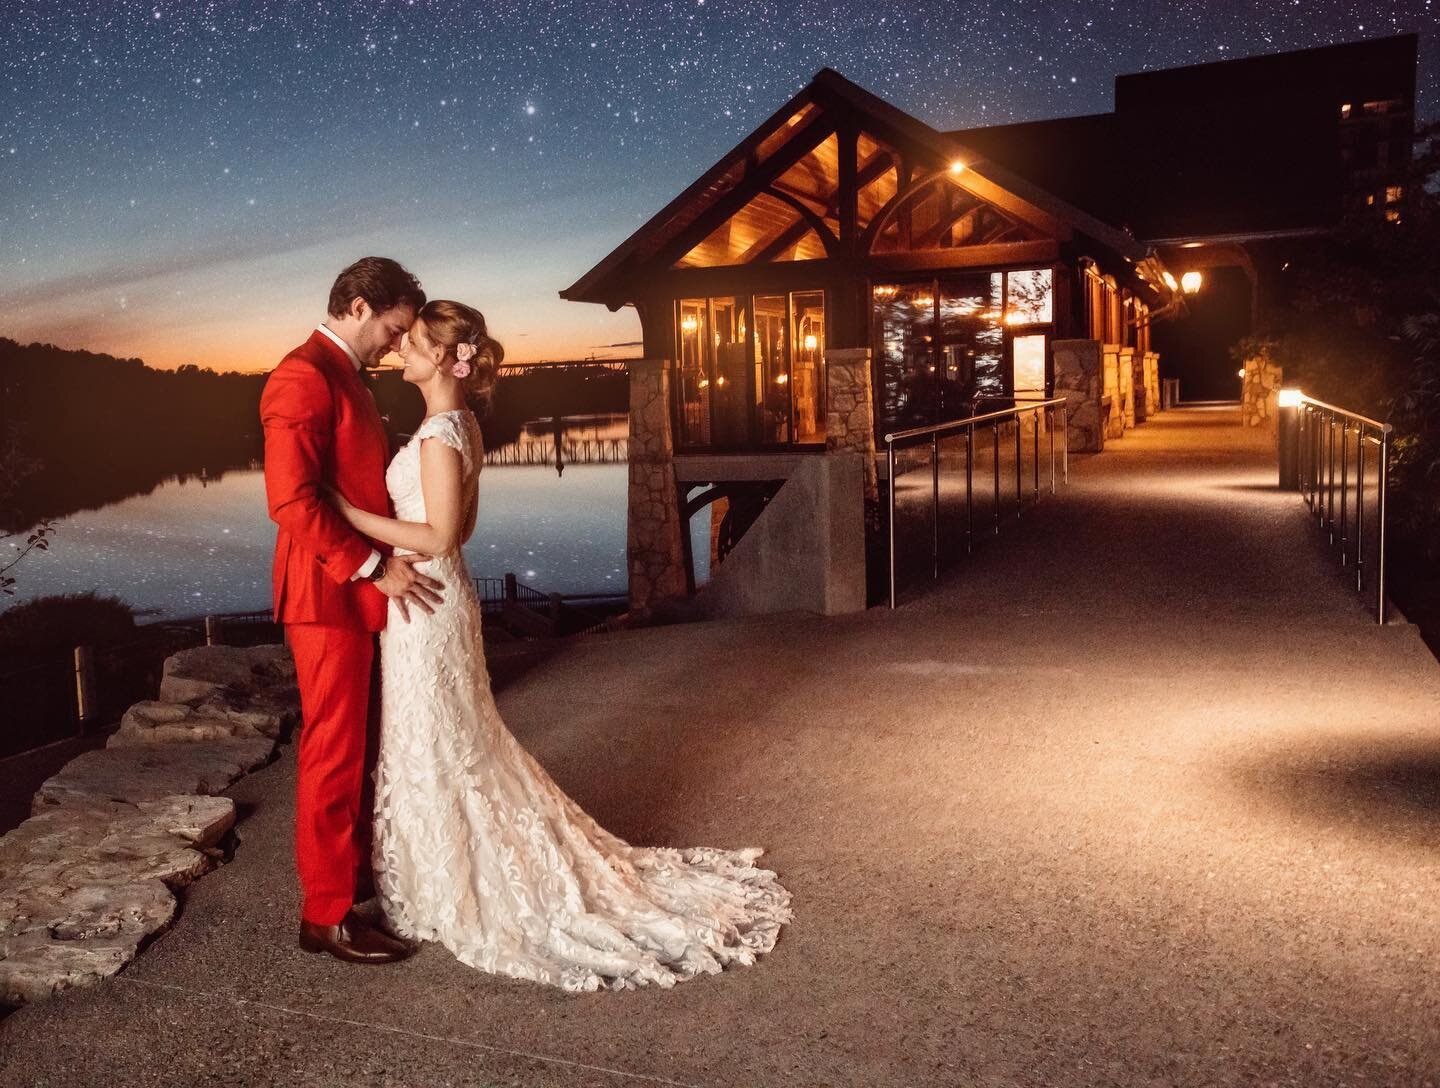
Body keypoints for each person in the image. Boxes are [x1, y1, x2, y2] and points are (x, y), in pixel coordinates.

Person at [325, 299, 793, 991]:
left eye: (416, 342)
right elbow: (462, 526)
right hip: (435, 597)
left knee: (435, 739)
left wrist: (346, 514)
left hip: (424, 599)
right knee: (446, 740)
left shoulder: (437, 435)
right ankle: (434, 876)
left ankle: (445, 887)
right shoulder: (459, 427)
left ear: (449, 360)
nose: (402, 350)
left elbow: (439, 537)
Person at [260, 256, 441, 965]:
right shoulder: (303, 375)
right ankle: (325, 916)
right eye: (394, 329)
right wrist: (372, 565)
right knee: (333, 753)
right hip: (325, 591)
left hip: (351, 590)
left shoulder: (345, 377)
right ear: (359, 307)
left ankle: (352, 875)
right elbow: (290, 501)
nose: (397, 345)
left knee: (357, 745)